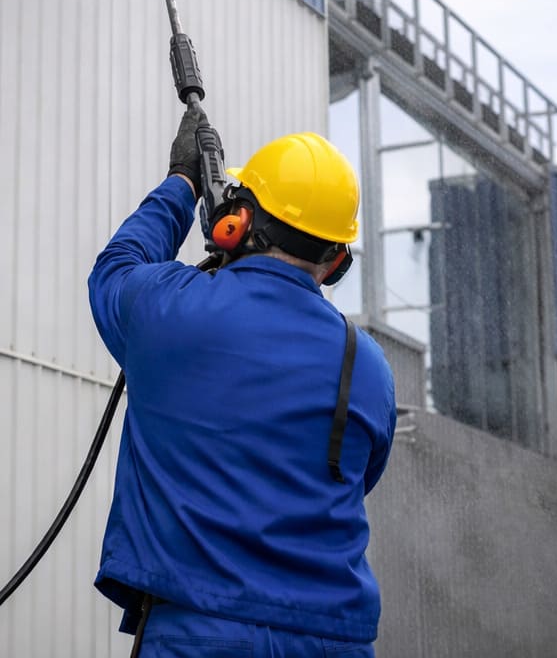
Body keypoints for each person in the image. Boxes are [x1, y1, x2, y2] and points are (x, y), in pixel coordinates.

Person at [87, 108, 397, 657]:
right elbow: (356, 477)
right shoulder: (367, 365)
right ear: (334, 261)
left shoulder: (169, 309)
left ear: (236, 222)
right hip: (334, 642)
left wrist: (182, 182)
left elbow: (117, 265)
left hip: (201, 634)